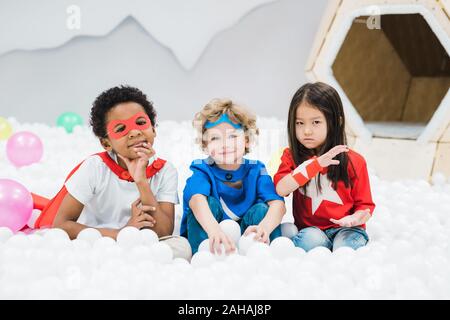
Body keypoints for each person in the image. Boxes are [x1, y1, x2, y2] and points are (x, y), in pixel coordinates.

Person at [33, 85, 191, 260]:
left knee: (181, 248)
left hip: (142, 242)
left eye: (140, 123)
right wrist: (121, 234)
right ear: (106, 144)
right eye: (120, 129)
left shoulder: (165, 170)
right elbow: (61, 225)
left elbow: (163, 231)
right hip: (100, 240)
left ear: (153, 129)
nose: (134, 132)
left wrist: (141, 182)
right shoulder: (94, 167)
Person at [274, 82, 375, 252]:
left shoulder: (355, 161)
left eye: (316, 122)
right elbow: (281, 189)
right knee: (310, 241)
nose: (306, 131)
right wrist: (314, 166)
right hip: (312, 231)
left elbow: (364, 205)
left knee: (345, 249)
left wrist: (355, 218)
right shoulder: (290, 156)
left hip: (348, 229)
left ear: (336, 122)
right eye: (299, 123)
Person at [181, 98, 286, 255]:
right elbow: (197, 200)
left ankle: (265, 253)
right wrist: (215, 231)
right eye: (215, 138)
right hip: (211, 235)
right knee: (208, 204)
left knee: (263, 210)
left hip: (246, 236)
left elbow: (278, 205)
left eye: (232, 136)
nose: (225, 144)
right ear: (205, 145)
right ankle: (203, 254)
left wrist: (264, 227)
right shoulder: (201, 169)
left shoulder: (257, 169)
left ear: (247, 140)